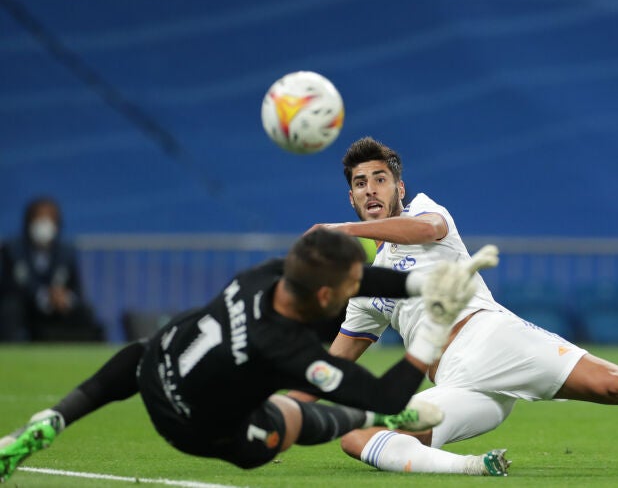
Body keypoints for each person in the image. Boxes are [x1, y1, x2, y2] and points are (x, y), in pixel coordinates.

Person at [302, 137, 618, 476]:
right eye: (360, 184)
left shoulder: (426, 213)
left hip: (491, 340)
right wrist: (284, 406)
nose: (370, 189)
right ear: (351, 196)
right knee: (357, 437)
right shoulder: (364, 286)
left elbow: (426, 230)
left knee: (617, 386)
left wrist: (343, 230)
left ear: (399, 186)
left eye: (379, 179)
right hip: (459, 385)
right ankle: (474, 467)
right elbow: (336, 361)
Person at [0, 229, 510, 483]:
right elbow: (387, 392)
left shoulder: (264, 274)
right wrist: (431, 330)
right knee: (288, 417)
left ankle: (53, 418)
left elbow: (353, 278)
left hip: (157, 366)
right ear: (326, 298)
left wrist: (423, 283)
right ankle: (363, 423)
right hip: (194, 428)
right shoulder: (288, 350)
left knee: (140, 353)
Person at [0, 197, 103, 342]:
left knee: (85, 311)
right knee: (10, 308)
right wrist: (45, 296)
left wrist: (66, 298)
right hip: (25, 304)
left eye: (49, 218)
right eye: (39, 218)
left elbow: (76, 289)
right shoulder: (12, 249)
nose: (44, 224)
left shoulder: (66, 252)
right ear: (29, 221)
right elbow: (9, 286)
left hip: (57, 308)